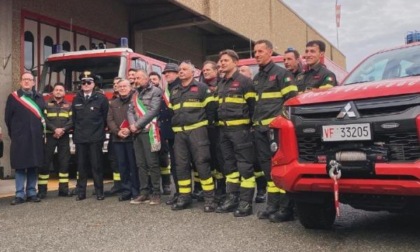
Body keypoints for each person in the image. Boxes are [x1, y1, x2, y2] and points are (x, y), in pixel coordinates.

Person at [252, 40, 298, 222]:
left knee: (280, 168)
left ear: (270, 53)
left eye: (260, 51)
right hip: (260, 130)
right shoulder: (257, 78)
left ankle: (286, 208)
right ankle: (272, 206)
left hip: (275, 130)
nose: (256, 54)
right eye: (255, 52)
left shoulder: (282, 74)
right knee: (267, 169)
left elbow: (292, 102)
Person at [169, 61, 217, 212]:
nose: (181, 71)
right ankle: (185, 197)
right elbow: (172, 112)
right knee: (181, 165)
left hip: (197, 132)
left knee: (202, 164)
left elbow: (211, 110)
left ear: (193, 72)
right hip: (180, 133)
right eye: (179, 70)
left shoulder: (202, 88)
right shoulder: (175, 90)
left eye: (184, 69)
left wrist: (204, 127)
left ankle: (210, 198)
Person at [215, 50, 256, 217]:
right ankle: (232, 198)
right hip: (224, 131)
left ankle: (246, 203)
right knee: (229, 167)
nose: (221, 63)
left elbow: (253, 107)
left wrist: (250, 128)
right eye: (220, 61)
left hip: (241, 131)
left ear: (235, 62)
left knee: (244, 166)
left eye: (225, 60)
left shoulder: (245, 82)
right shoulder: (221, 83)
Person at [5, 72, 45, 205]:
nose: (27, 82)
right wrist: (15, 134)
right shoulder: (13, 97)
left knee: (33, 166)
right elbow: (8, 119)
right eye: (24, 80)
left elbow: (43, 118)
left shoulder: (39, 98)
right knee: (20, 166)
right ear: (21, 82)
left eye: (29, 80)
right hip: (20, 137)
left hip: (35, 138)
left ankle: (32, 192)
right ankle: (19, 194)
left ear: (34, 83)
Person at [72, 71, 109, 201]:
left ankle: (99, 191)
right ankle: (81, 192)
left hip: (95, 137)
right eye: (83, 82)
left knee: (96, 165)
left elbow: (105, 118)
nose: (86, 84)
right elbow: (74, 118)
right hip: (81, 138)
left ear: (94, 84)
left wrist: (99, 133)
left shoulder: (101, 99)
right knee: (81, 166)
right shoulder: (76, 99)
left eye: (89, 82)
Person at [128, 70, 162, 205]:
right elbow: (130, 110)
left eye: (138, 78)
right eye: (135, 78)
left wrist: (137, 125)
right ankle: (144, 193)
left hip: (149, 131)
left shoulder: (156, 91)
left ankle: (156, 194)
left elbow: (153, 110)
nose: (136, 80)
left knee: (152, 163)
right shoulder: (135, 93)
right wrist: (132, 125)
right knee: (140, 164)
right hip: (136, 132)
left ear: (146, 78)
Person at [38, 82, 73, 198]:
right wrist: (54, 130)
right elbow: (44, 120)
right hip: (50, 137)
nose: (58, 91)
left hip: (64, 137)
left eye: (61, 90)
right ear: (53, 92)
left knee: (64, 163)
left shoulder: (69, 105)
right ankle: (42, 191)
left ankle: (63, 190)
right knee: (45, 163)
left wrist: (62, 129)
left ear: (64, 93)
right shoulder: (46, 105)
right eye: (56, 90)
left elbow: (72, 120)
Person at [238, 65, 267, 204]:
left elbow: (253, 107)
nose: (240, 73)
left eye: (243, 70)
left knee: (257, 163)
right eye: (239, 71)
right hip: (242, 130)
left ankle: (261, 190)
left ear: (250, 74)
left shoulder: (253, 87)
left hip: (254, 129)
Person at [107, 78, 139, 201]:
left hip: (133, 138)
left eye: (125, 86)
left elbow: (139, 116)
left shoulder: (136, 100)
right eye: (120, 87)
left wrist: (130, 130)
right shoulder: (113, 103)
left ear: (130, 87)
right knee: (122, 166)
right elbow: (109, 120)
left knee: (133, 165)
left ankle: (136, 191)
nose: (122, 88)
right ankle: (126, 190)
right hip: (118, 139)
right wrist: (117, 131)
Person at [201, 60, 225, 203]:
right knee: (210, 160)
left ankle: (222, 189)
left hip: (219, 128)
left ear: (216, 71)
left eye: (208, 70)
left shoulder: (222, 85)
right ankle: (214, 189)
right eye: (204, 70)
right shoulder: (201, 87)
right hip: (206, 129)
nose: (205, 72)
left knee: (219, 160)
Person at [149, 71, 171, 195]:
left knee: (163, 159)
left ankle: (167, 185)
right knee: (151, 160)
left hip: (162, 130)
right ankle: (153, 185)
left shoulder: (164, 95)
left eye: (155, 78)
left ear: (159, 80)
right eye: (150, 79)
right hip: (150, 130)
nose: (152, 80)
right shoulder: (145, 95)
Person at [162, 63, 181, 205]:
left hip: (180, 132)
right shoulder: (168, 88)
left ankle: (185, 193)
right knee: (175, 164)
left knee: (181, 164)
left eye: (169, 72)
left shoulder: (179, 87)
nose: (166, 75)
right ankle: (179, 192)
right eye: (165, 73)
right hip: (170, 132)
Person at [104, 77, 123, 196]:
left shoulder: (129, 98)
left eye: (118, 83)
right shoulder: (111, 100)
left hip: (127, 134)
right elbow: (109, 118)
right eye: (114, 84)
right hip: (114, 134)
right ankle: (117, 185)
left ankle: (128, 184)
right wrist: (116, 130)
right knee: (113, 159)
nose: (116, 85)